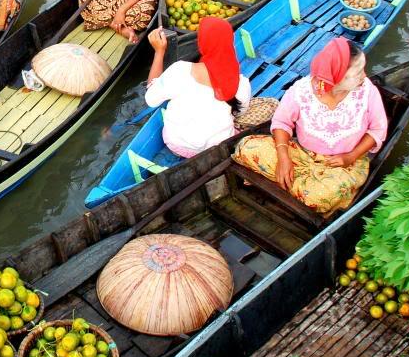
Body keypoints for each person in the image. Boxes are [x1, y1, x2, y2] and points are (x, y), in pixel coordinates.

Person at [233, 38, 388, 214]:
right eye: (357, 72)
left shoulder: (367, 91)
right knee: (246, 147)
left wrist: (351, 156)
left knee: (322, 196)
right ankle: (297, 187)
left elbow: (377, 130)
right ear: (336, 79)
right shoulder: (302, 90)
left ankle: (287, 185)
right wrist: (284, 159)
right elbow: (281, 123)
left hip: (343, 164)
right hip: (300, 153)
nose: (364, 76)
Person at [144, 18, 251, 158]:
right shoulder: (241, 82)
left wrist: (159, 52)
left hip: (178, 146)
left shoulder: (179, 70)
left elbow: (150, 99)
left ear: (201, 43)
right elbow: (241, 112)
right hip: (219, 149)